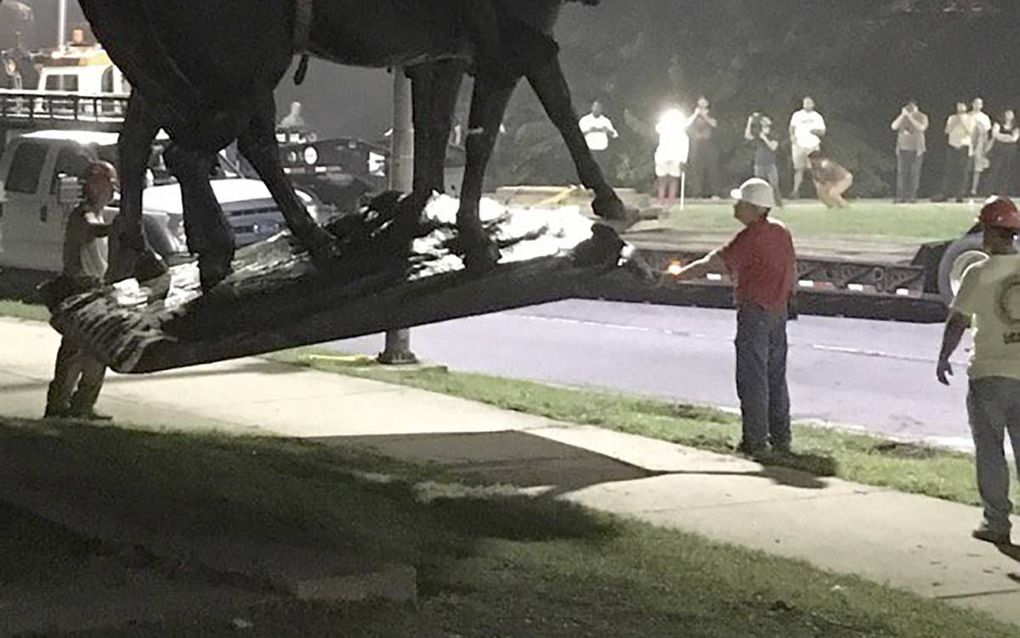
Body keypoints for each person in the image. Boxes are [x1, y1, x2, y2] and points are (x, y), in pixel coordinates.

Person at [672, 178, 796, 456]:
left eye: (740, 202)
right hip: (779, 312)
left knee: (753, 378)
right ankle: (781, 438)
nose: (735, 206)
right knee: (776, 377)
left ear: (754, 207)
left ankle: (755, 441)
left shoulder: (751, 237)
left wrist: (677, 276)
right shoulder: (781, 232)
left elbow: (713, 263)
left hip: (755, 313)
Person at [937, 197, 1020, 546]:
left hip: (989, 372)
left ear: (989, 232)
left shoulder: (978, 273)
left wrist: (943, 358)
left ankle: (996, 521)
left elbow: (958, 320)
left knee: (991, 450)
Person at [43, 161, 119, 421]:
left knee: (98, 351)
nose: (111, 189)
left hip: (98, 290)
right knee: (74, 350)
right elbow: (91, 230)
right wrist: (117, 229)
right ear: (94, 185)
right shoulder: (82, 215)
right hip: (79, 289)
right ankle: (58, 404)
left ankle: (84, 404)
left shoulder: (98, 214)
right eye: (107, 183)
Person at [934, 102, 974, 203]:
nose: (959, 108)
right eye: (958, 106)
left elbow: (969, 131)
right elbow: (947, 131)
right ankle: (945, 193)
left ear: (966, 107)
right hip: (952, 145)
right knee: (950, 170)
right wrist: (955, 122)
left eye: (962, 105)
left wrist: (962, 121)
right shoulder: (952, 118)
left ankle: (960, 194)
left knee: (962, 172)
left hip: (964, 146)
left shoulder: (970, 118)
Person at [891, 100, 929, 203]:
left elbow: (921, 127)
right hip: (902, 148)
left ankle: (912, 196)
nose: (909, 108)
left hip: (917, 149)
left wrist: (910, 117)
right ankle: (901, 196)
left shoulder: (922, 116)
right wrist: (902, 115)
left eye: (911, 107)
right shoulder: (903, 117)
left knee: (914, 173)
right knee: (902, 173)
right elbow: (894, 126)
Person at [789, 97, 826, 198]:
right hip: (799, 145)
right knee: (798, 169)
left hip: (813, 145)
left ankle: (820, 192)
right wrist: (792, 137)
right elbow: (792, 128)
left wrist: (815, 131)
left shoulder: (817, 117)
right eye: (805, 103)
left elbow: (823, 132)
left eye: (809, 103)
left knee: (815, 169)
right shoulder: (797, 115)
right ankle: (795, 192)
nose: (807, 104)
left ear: (813, 104)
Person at [686, 96, 722, 198]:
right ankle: (697, 193)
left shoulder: (712, 112)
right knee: (697, 170)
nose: (701, 103)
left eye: (703, 101)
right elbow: (686, 125)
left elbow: (714, 124)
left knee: (712, 170)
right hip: (696, 146)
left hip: (710, 145)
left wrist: (704, 116)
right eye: (700, 101)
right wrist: (695, 114)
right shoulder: (694, 113)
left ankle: (715, 193)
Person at [745, 113, 783, 208]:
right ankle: (758, 204)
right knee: (759, 185)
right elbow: (748, 136)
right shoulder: (757, 133)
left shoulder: (774, 134)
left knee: (774, 184)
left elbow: (773, 147)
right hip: (759, 162)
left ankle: (778, 204)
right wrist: (749, 122)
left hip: (770, 163)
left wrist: (765, 138)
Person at [654, 107, 690, 206]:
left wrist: (683, 158)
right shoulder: (677, 132)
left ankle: (665, 200)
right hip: (668, 156)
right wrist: (683, 159)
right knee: (670, 180)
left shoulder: (666, 129)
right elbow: (685, 145)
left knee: (665, 180)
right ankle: (667, 200)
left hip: (669, 157)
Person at [985, 109, 1019, 196]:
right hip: (998, 150)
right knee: (995, 169)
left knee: (1006, 170)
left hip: (1010, 151)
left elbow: (1014, 138)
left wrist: (1002, 137)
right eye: (1007, 113)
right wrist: (1007, 137)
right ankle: (989, 191)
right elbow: (994, 135)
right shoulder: (998, 124)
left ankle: (1002, 191)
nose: (1009, 115)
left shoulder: (1016, 127)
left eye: (1010, 114)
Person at [969, 97, 993, 196]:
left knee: (977, 168)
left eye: (980, 104)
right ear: (972, 104)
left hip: (979, 143)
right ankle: (962, 189)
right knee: (966, 166)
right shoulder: (968, 115)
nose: (978, 105)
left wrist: (985, 146)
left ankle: (973, 189)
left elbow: (986, 133)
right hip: (967, 143)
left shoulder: (985, 117)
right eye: (976, 103)